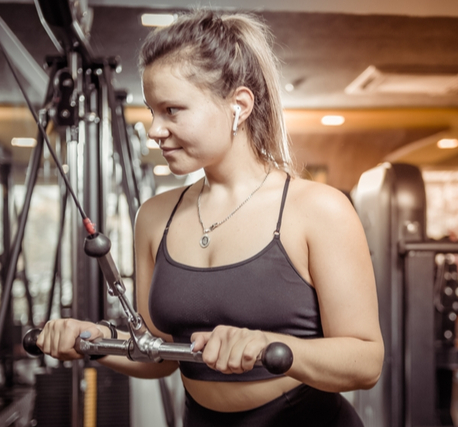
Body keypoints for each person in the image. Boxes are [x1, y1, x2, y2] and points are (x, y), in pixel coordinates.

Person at [37, 9, 383, 426]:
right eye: (152, 111)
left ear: (238, 105)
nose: (154, 130)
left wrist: (268, 346)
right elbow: (158, 353)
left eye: (172, 110)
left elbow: (366, 360)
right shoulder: (155, 217)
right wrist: (93, 340)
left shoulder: (318, 209)